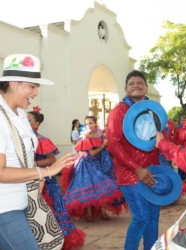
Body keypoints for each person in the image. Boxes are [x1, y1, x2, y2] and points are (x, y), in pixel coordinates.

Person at [0, 53, 74, 250]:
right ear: (13, 83)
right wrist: (46, 171)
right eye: (32, 86)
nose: (35, 93)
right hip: (4, 208)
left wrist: (35, 176)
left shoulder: (21, 115)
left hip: (22, 202)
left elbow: (21, 158)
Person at [107, 70, 161, 250]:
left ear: (146, 88)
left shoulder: (154, 110)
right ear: (126, 88)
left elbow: (161, 138)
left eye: (140, 82)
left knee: (153, 219)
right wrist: (137, 169)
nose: (136, 85)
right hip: (130, 173)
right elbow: (114, 145)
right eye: (132, 83)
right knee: (142, 217)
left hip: (153, 172)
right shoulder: (118, 111)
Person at [27, 110, 85, 250]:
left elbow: (51, 159)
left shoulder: (42, 140)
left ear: (37, 124)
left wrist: (32, 165)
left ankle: (55, 239)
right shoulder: (21, 138)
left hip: (46, 182)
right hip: (29, 180)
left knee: (49, 211)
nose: (25, 121)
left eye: (29, 120)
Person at [63, 116, 126, 222]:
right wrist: (103, 146)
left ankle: (103, 212)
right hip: (87, 164)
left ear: (96, 123)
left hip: (100, 163)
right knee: (88, 188)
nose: (89, 126)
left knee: (102, 188)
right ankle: (89, 214)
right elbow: (92, 153)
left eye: (91, 123)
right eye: (87, 124)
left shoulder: (101, 134)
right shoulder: (86, 136)